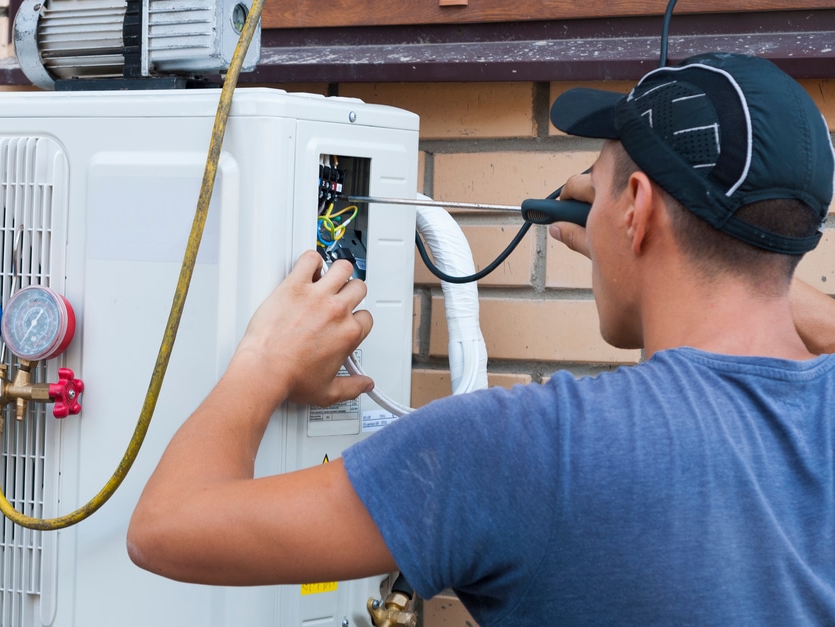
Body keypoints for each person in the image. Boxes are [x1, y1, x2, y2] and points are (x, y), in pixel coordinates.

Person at [127, 52, 835, 624]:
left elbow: (165, 527)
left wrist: (264, 359)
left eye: (606, 184)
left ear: (638, 209)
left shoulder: (530, 448)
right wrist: (668, 255)